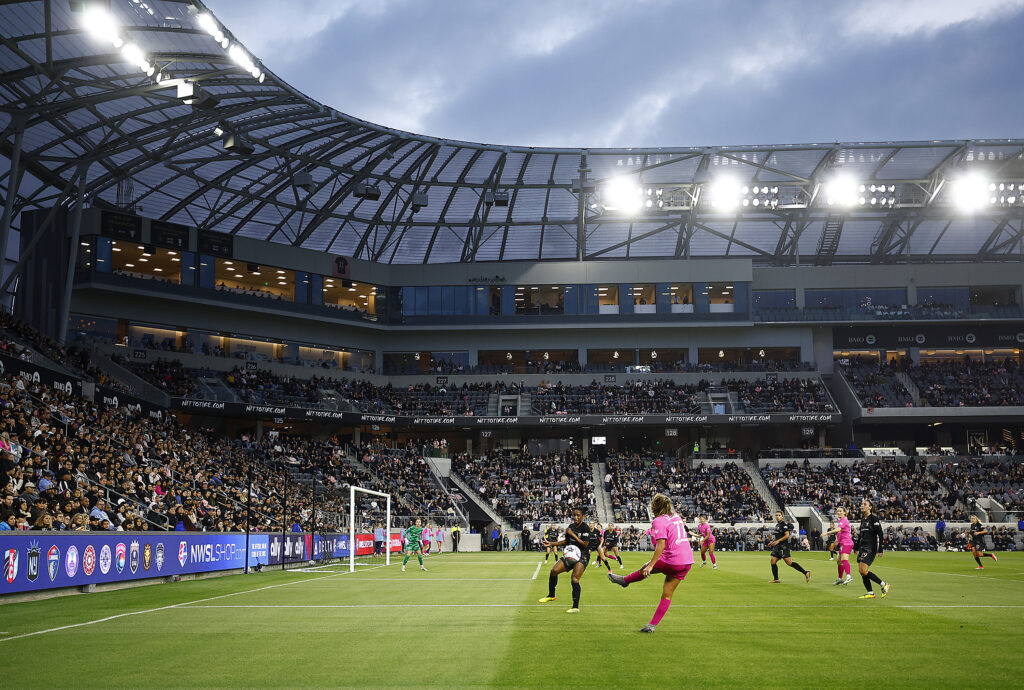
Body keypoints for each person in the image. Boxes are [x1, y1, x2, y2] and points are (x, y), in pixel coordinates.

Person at [607, 493, 695, 633]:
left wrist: (651, 565)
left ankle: (625, 580)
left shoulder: (659, 521)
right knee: (667, 594)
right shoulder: (676, 516)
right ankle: (652, 625)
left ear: (655, 506)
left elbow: (661, 546)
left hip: (672, 559)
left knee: (646, 568)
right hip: (687, 561)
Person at [539, 507, 595, 614]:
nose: (575, 517)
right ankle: (551, 595)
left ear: (583, 516)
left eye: (578, 515)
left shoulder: (585, 528)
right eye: (574, 515)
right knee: (554, 571)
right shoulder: (570, 527)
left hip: (582, 555)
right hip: (570, 553)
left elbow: (584, 544)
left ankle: (575, 607)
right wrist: (552, 544)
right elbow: (566, 542)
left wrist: (572, 534)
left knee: (574, 579)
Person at [855, 499, 889, 599]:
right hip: (862, 547)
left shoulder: (874, 519)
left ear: (870, 507)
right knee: (861, 571)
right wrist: (856, 547)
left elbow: (880, 534)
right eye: (862, 504)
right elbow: (861, 535)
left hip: (870, 547)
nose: (862, 506)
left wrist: (880, 549)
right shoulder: (863, 519)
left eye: (865, 504)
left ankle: (884, 584)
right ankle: (870, 593)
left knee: (863, 570)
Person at [767, 510, 810, 584]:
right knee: (772, 561)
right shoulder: (777, 525)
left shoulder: (784, 525)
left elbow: (787, 535)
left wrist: (778, 541)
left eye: (779, 515)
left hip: (784, 547)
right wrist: (773, 542)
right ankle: (776, 579)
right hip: (778, 547)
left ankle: (806, 572)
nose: (777, 517)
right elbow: (778, 536)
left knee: (789, 563)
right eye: (776, 515)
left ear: (782, 517)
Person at [824, 507, 854, 585]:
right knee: (839, 561)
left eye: (840, 511)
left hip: (846, 543)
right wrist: (836, 541)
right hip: (843, 542)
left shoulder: (843, 520)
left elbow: (838, 530)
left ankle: (848, 576)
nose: (838, 512)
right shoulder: (842, 520)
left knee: (844, 559)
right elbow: (841, 532)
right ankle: (840, 579)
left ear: (845, 513)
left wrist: (827, 533)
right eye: (838, 511)